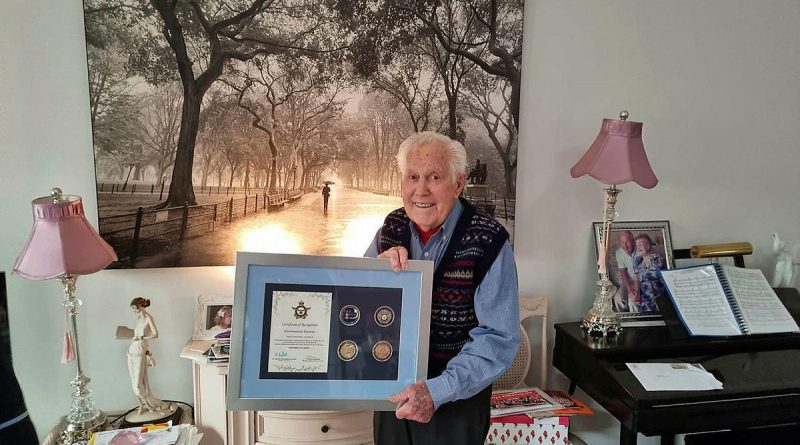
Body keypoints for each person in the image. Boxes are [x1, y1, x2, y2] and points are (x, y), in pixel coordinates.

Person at [365, 131, 520, 445]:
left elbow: (499, 338)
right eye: (412, 177)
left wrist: (437, 391)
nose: (420, 190)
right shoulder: (389, 229)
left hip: (456, 401)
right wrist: (376, 279)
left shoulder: (489, 240)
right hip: (393, 394)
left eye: (434, 177)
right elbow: (354, 311)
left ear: (459, 183)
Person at [126, 298, 174, 418]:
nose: (134, 311)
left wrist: (142, 338)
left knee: (138, 384)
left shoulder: (148, 318)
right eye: (132, 309)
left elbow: (155, 334)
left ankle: (149, 404)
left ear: (141, 306)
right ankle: (142, 405)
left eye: (135, 308)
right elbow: (137, 334)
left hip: (140, 352)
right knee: (134, 381)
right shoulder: (138, 319)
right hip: (131, 350)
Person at [631, 234, 664, 313]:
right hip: (644, 296)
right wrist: (637, 294)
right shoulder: (637, 261)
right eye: (637, 245)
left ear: (648, 245)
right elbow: (636, 279)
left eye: (641, 244)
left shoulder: (658, 258)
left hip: (659, 294)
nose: (638, 247)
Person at [614, 230, 638, 312]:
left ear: (633, 241)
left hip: (641, 280)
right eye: (622, 243)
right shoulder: (619, 253)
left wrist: (634, 290)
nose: (626, 246)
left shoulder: (640, 249)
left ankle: (638, 321)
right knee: (618, 298)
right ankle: (624, 320)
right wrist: (630, 289)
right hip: (628, 281)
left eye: (628, 242)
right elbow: (623, 273)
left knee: (632, 300)